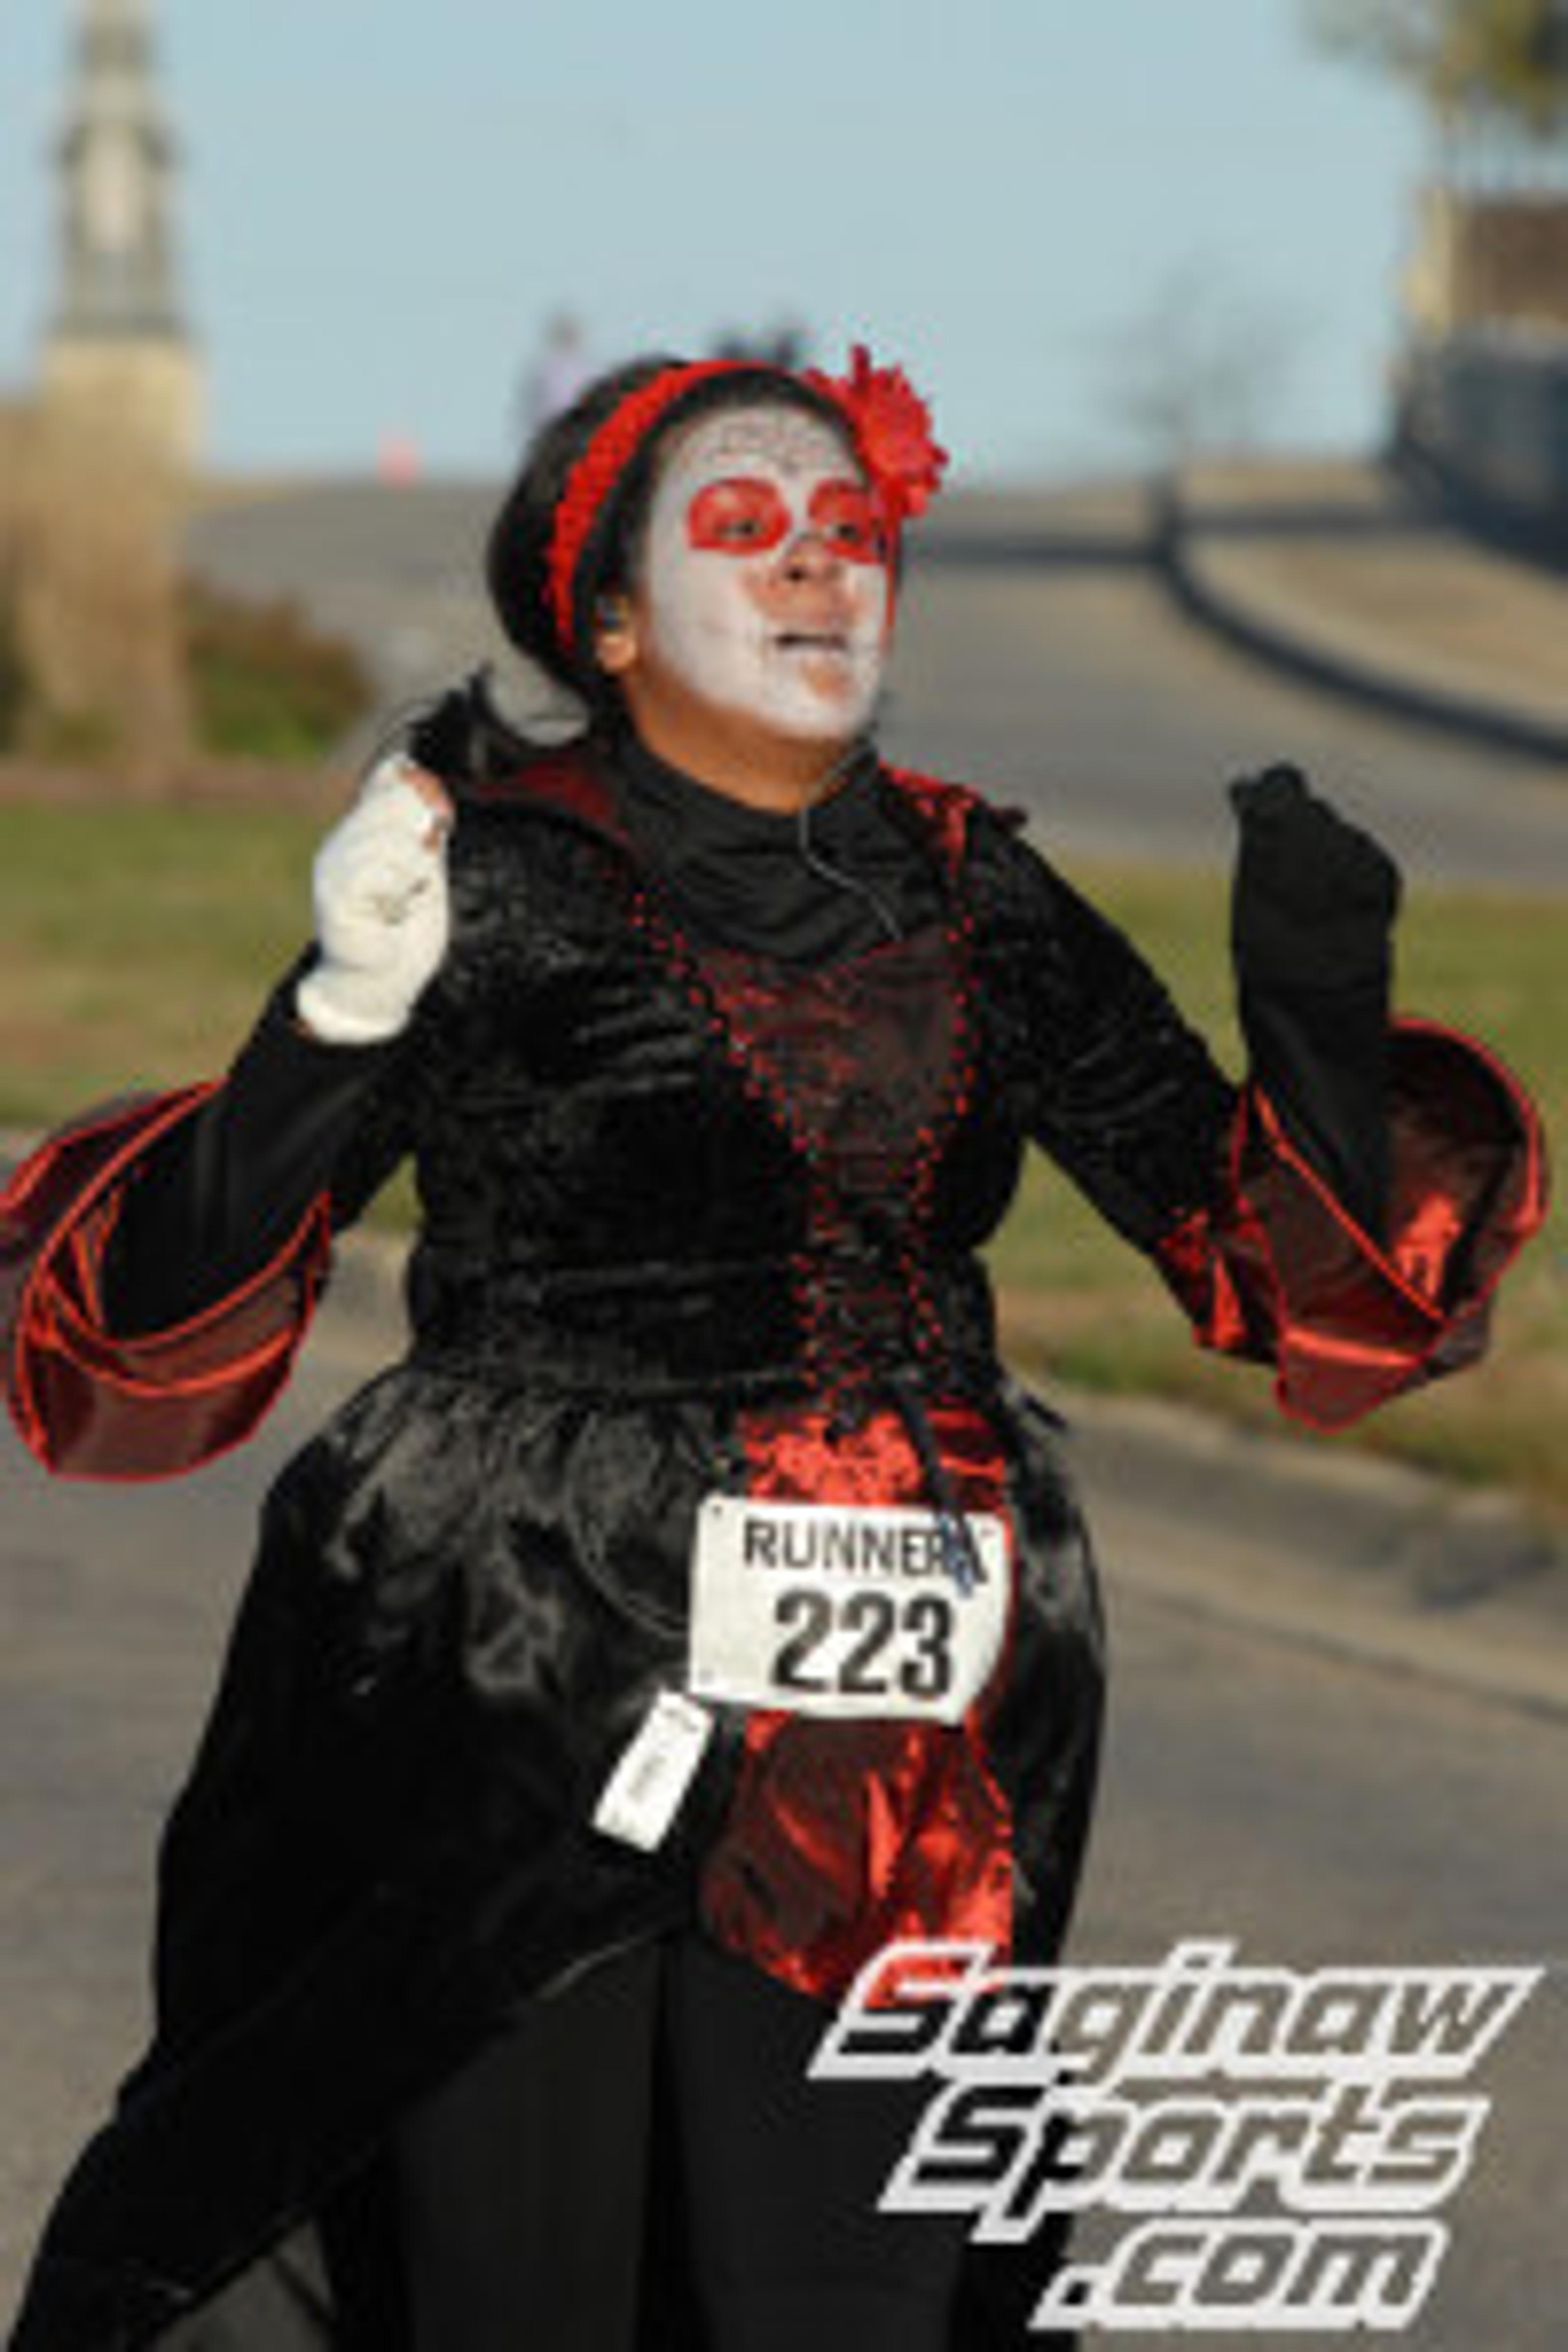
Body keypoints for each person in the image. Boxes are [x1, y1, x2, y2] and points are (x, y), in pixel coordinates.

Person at [0, 345, 1547, 2352]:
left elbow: (1264, 1272)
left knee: (858, 2292)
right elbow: (144, 1326)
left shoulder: (981, 889)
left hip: (898, 1715)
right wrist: (336, 1023)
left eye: (854, 531)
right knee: (521, 2296)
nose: (821, 568)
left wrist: (1323, 1016)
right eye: (748, 529)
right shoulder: (493, 876)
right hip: (514, 1654)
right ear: (614, 617)